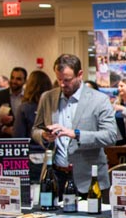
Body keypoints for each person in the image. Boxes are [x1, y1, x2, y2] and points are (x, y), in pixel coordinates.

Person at [31, 54, 118, 194]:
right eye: (59, 79)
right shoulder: (47, 98)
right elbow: (35, 129)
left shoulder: (99, 100)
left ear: (80, 74)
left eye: (67, 80)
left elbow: (110, 136)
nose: (62, 84)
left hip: (88, 180)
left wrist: (76, 134)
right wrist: (43, 135)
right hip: (55, 177)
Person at [0, 67, 27, 137]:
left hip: (24, 139)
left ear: (25, 81)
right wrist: (4, 129)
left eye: (18, 79)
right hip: (4, 139)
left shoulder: (28, 97)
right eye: (12, 78)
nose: (14, 81)